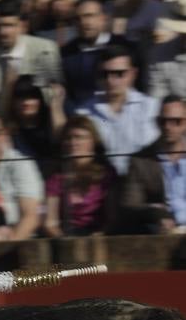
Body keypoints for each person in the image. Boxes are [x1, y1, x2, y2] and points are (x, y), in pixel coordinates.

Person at [73, 45, 160, 174]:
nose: (110, 80)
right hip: (101, 184)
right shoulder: (83, 113)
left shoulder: (152, 108)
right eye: (104, 74)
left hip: (142, 183)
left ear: (133, 74)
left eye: (119, 74)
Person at [0, 0, 64, 110]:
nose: (2, 32)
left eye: (9, 25)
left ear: (23, 27)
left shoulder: (45, 49)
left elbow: (50, 98)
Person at [0, 107, 45, 240]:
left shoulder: (21, 165)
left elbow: (30, 217)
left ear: (4, 134)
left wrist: (7, 249)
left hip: (15, 239)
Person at [43, 115, 119, 238]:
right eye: (68, 138)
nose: (73, 143)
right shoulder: (56, 177)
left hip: (99, 237)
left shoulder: (106, 174)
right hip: (66, 237)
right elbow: (50, 223)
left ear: (92, 142)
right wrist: (65, 240)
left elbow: (113, 219)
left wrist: (98, 236)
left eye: (79, 137)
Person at [120, 97, 186, 233]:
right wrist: (155, 213)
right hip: (162, 235)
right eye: (163, 121)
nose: (168, 127)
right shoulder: (140, 160)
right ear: (157, 122)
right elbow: (130, 205)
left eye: (176, 121)